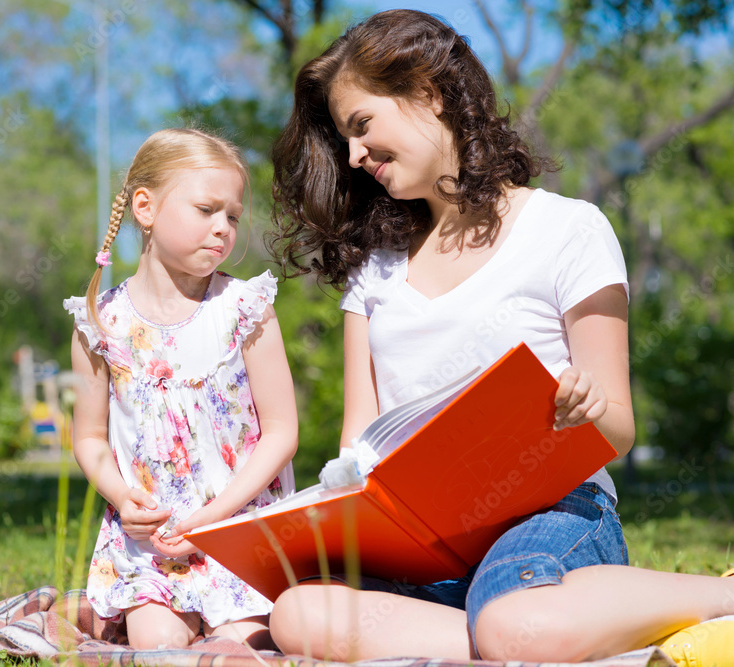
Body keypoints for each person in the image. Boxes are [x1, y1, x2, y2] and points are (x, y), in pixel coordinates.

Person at [265, 9, 734, 665]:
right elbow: (357, 443)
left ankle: (717, 598)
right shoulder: (374, 274)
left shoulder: (570, 229)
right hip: (421, 541)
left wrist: (584, 409)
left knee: (513, 618)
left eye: (362, 125)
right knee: (298, 612)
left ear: (427, 92)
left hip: (549, 516)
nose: (353, 155)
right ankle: (513, 636)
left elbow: (619, 426)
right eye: (344, 139)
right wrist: (323, 505)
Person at [66, 128, 298, 650]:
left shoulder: (245, 309)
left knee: (247, 643)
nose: (223, 228)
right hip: (155, 547)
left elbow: (282, 431)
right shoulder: (100, 323)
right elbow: (90, 439)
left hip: (239, 533)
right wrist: (122, 497)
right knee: (156, 644)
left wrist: (214, 518)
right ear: (145, 208)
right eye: (206, 209)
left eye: (233, 216)